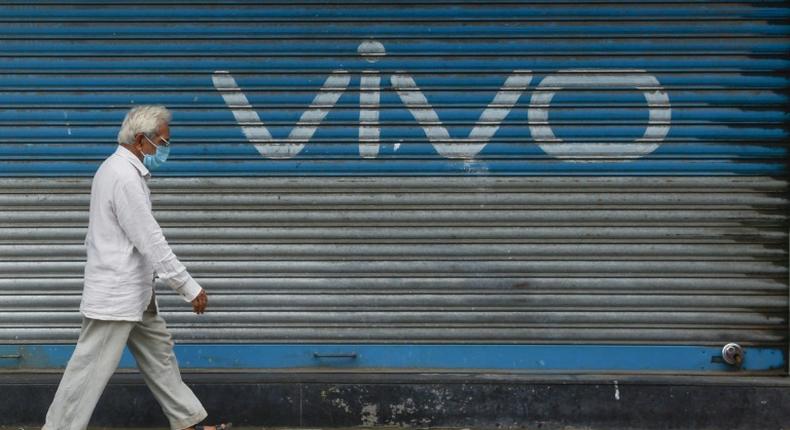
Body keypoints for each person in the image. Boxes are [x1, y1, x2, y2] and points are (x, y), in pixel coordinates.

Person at [42, 106, 230, 430]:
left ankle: (187, 422)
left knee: (160, 355)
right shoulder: (123, 177)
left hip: (136, 295)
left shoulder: (118, 170)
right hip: (116, 298)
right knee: (87, 370)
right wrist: (189, 288)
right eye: (163, 142)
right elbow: (150, 240)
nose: (165, 149)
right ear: (142, 141)